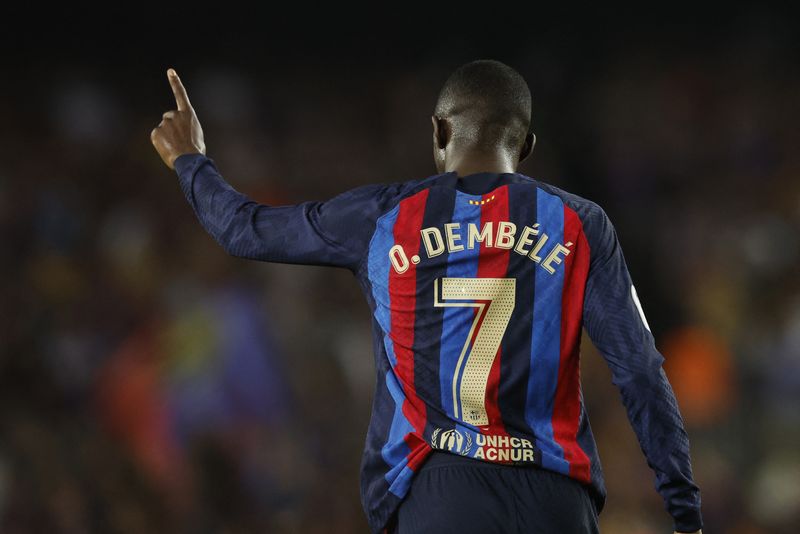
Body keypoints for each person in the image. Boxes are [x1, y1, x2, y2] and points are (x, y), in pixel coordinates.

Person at [150, 60, 703, 534]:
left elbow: (244, 230)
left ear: (439, 131)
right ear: (526, 146)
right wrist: (684, 512)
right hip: (554, 494)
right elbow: (639, 372)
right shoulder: (579, 223)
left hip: (438, 492)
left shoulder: (383, 218)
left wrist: (189, 159)